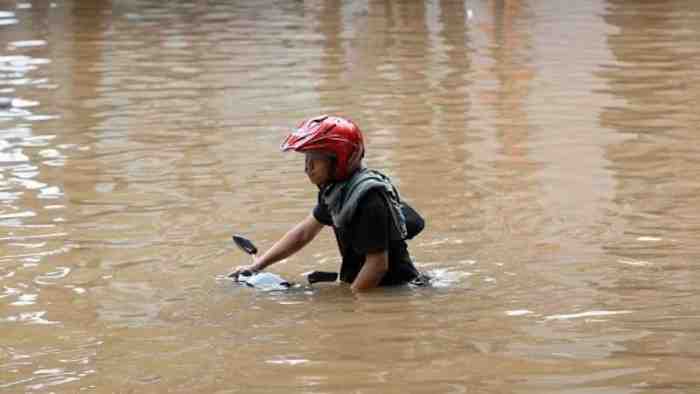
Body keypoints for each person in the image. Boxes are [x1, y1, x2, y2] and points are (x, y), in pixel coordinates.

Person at [230, 115, 425, 292]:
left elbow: (377, 266)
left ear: (340, 159)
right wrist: (256, 266)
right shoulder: (336, 191)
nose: (308, 168)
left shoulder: (368, 200)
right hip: (362, 282)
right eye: (307, 159)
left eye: (315, 160)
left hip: (394, 288)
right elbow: (303, 234)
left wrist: (349, 306)